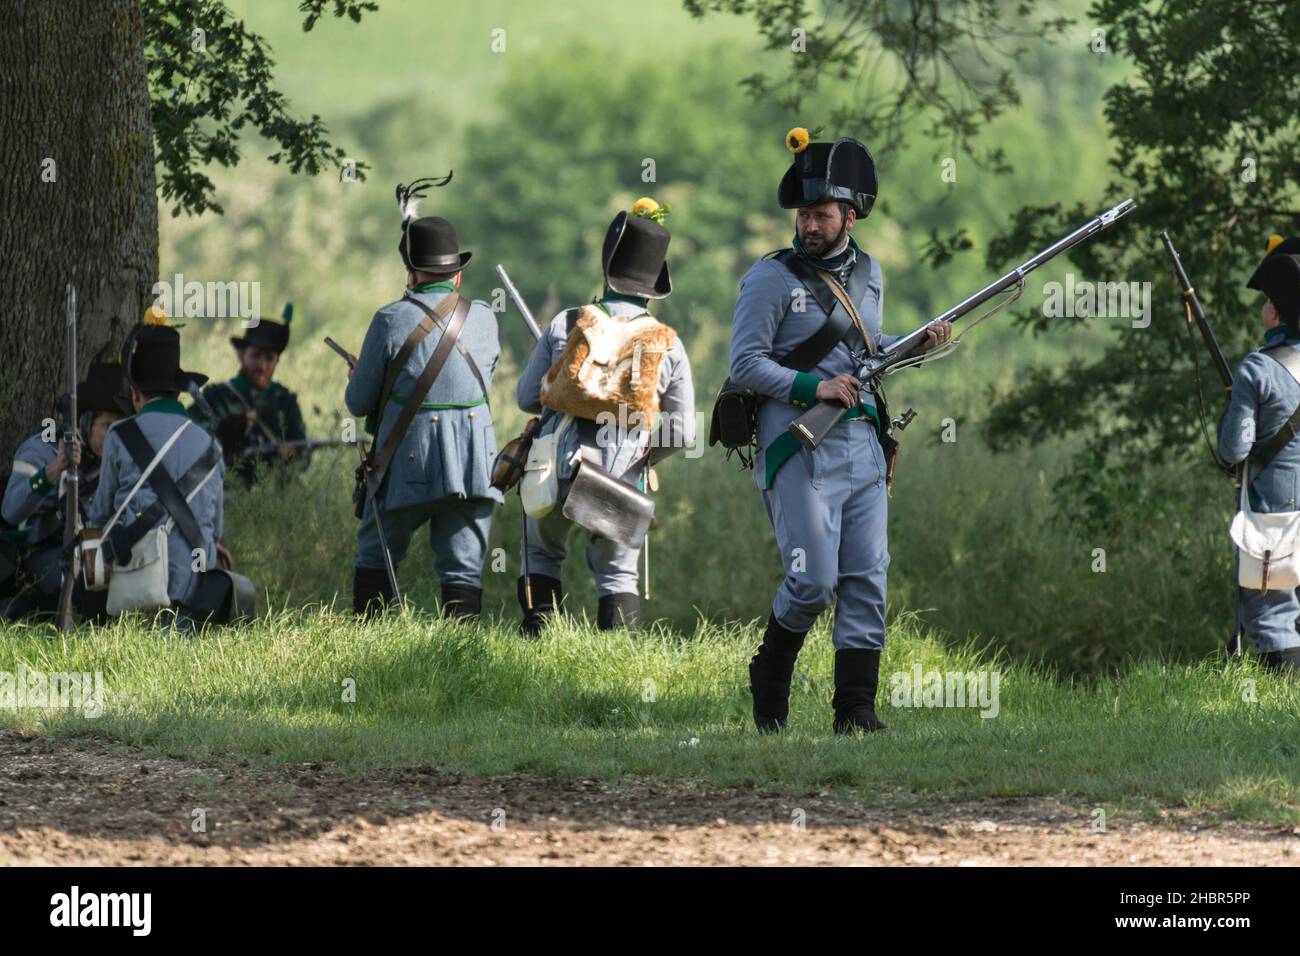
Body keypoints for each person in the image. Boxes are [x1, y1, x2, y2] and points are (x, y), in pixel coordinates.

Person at [729, 129, 950, 734]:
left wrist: (914, 344)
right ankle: (769, 674)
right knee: (812, 581)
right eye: (804, 216)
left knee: (866, 580)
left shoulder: (870, 273)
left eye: (821, 215)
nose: (809, 226)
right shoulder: (769, 279)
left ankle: (855, 712)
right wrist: (812, 388)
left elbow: (867, 347)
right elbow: (744, 364)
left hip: (861, 444)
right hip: (796, 444)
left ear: (849, 216)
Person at [514, 201, 695, 633]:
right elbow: (684, 431)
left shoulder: (565, 323)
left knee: (540, 556)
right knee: (618, 575)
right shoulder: (669, 343)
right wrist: (645, 458)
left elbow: (525, 397)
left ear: (607, 268)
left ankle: (535, 656)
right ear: (653, 286)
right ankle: (618, 671)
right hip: (622, 476)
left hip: (554, 466)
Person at [345, 204, 501, 619]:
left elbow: (358, 403)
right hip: (473, 463)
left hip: (406, 460)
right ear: (457, 274)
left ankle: (370, 650)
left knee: (375, 556)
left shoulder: (390, 319)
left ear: (410, 273)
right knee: (463, 570)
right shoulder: (485, 319)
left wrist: (360, 378)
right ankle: (462, 660)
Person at [89, 324, 229, 621]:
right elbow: (215, 531)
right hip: (194, 592)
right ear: (179, 393)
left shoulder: (119, 435)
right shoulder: (211, 447)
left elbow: (100, 514)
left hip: (136, 588)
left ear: (135, 393)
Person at [1218, 242, 1300, 674]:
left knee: (1273, 619)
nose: (1265, 307)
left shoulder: (1257, 369)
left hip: (1274, 515)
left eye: (1269, 300)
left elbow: (1234, 450)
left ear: (1276, 312)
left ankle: (1281, 708)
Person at [1, 363, 133, 620]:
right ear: (85, 421)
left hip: (96, 551)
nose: (115, 436)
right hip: (39, 557)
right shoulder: (41, 450)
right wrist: (55, 469)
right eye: (108, 426)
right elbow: (11, 512)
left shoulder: (113, 462)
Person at [193, 304, 307, 488]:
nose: (262, 365)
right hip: (226, 497)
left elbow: (303, 455)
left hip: (273, 498)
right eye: (256, 356)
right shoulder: (216, 397)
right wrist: (225, 431)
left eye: (269, 358)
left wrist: (292, 456)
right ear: (241, 354)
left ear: (277, 361)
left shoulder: (285, 401)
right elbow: (192, 440)